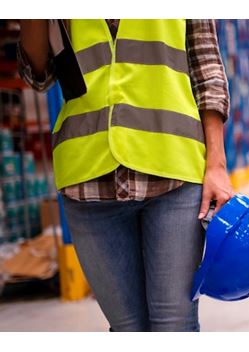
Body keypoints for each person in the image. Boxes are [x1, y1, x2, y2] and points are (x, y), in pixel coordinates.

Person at [18, 19, 233, 332]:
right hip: (88, 177)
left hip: (173, 170)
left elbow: (207, 69)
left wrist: (216, 164)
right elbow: (39, 75)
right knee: (126, 330)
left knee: (175, 326)